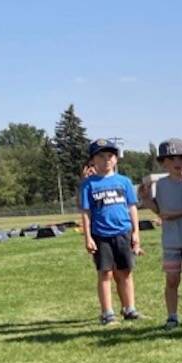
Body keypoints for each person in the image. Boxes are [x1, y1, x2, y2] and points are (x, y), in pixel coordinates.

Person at [139, 139, 182, 329]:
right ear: (163, 162)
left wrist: (176, 215)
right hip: (171, 240)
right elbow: (161, 211)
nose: (177, 162)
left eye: (181, 158)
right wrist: (146, 199)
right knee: (172, 279)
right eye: (171, 159)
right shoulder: (160, 185)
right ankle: (172, 316)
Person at [79, 139, 142, 324]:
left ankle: (129, 308)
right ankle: (107, 313)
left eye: (110, 156)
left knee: (125, 273)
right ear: (92, 161)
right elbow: (86, 212)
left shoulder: (124, 182)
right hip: (101, 235)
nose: (106, 160)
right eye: (100, 156)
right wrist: (88, 237)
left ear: (116, 159)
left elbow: (132, 208)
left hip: (123, 232)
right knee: (105, 274)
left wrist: (136, 233)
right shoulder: (88, 184)